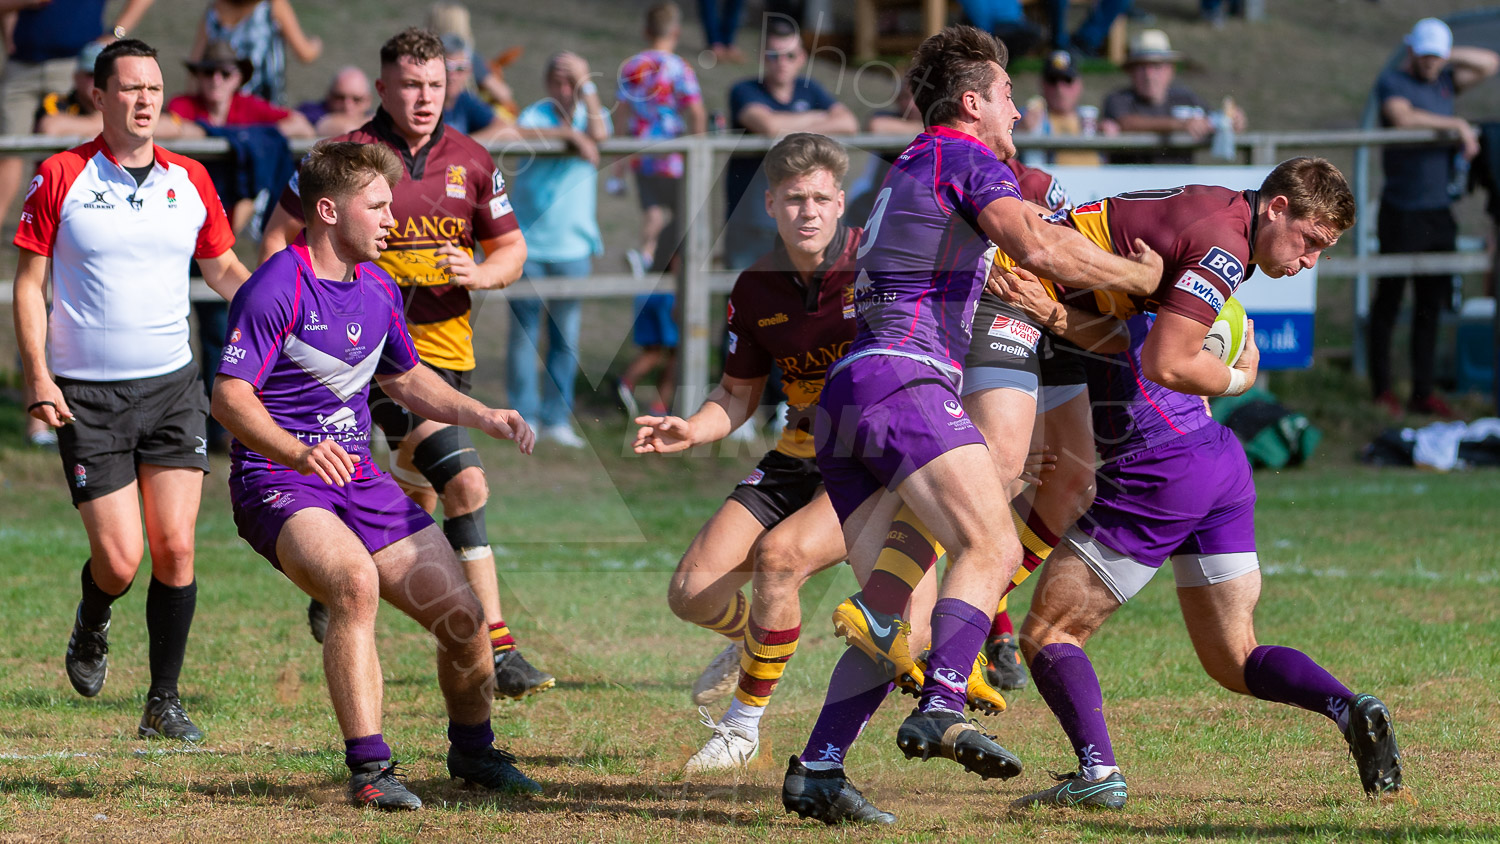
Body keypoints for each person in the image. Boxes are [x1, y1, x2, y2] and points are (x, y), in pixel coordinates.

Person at [780, 25, 1162, 825]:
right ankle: (944, 701)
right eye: (1009, 97)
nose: (1019, 112)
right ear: (972, 101)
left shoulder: (911, 164)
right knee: (990, 540)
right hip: (904, 377)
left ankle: (818, 767)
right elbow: (1036, 243)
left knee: (901, 611)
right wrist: (1140, 277)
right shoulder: (963, 156)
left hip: (852, 396)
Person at [986, 159, 1407, 808]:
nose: (1309, 262)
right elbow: (1115, 341)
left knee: (1049, 633)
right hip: (1218, 464)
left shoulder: (1198, 233)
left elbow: (1154, 356)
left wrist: (1240, 380)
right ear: (1276, 210)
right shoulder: (1186, 243)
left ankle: (1098, 775)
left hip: (1158, 470)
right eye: (1311, 243)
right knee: (1235, 658)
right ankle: (1347, 707)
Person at [212, 139, 541, 809]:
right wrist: (298, 452)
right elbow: (230, 396)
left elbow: (406, 378)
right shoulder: (277, 283)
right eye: (379, 205)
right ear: (328, 211)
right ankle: (370, 770)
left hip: (359, 479)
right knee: (354, 585)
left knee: (465, 620)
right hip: (279, 479)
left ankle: (473, 753)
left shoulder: (378, 287)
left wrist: (482, 414)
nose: (394, 218)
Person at [259, 28, 553, 699]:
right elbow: (278, 236)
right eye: (410, 85)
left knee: (416, 493)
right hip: (371, 363)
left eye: (435, 84)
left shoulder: (473, 161)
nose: (424, 98)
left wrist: (479, 273)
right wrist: (304, 310)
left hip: (448, 358)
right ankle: (499, 648)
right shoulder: (346, 158)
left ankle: (338, 570)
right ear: (383, 86)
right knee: (467, 484)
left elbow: (514, 251)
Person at [13, 38, 251, 742]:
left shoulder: (190, 180)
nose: (145, 100)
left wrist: (286, 310)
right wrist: (36, 374)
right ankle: (93, 616)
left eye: (154, 88)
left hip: (174, 388)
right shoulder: (61, 174)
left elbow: (225, 269)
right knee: (120, 559)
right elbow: (29, 285)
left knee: (176, 546)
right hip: (86, 397)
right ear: (100, 95)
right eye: (130, 88)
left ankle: (163, 702)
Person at [635, 133, 868, 771]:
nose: (809, 211)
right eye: (794, 199)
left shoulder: (877, 268)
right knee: (691, 593)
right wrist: (693, 427)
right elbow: (736, 395)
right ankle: (759, 640)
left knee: (779, 559)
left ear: (841, 202)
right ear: (769, 203)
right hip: (797, 453)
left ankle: (741, 727)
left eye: (821, 197)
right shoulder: (757, 287)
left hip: (872, 462)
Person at [1370, 17, 1499, 418]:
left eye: (1435, 57)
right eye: (1424, 56)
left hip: (1437, 212)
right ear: (1411, 52)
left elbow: (1490, 63)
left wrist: (1447, 53)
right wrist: (1457, 124)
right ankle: (1382, 389)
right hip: (1401, 211)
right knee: (1388, 303)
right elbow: (1403, 117)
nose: (1430, 64)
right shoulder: (1394, 82)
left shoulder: (1444, 79)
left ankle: (1422, 391)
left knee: (1430, 306)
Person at [504, 51, 610, 448]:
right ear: (549, 84)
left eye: (573, 83)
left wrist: (588, 86)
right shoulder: (538, 114)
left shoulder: (590, 114)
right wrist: (569, 136)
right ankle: (522, 417)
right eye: (561, 82)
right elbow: (517, 133)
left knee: (566, 338)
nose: (566, 90)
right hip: (528, 245)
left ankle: (556, 419)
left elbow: (602, 134)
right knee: (523, 337)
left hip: (575, 247)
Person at [614, 1, 706, 417]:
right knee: (672, 216)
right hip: (673, 154)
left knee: (653, 209)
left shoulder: (632, 65)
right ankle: (651, 253)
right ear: (675, 29)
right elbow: (694, 110)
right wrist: (700, 146)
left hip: (640, 152)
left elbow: (622, 113)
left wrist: (617, 163)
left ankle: (645, 250)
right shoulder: (677, 68)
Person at [0, 0, 152, 232]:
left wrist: (117, 33)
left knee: (79, 151)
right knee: (9, 153)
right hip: (23, 63)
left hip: (76, 65)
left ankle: (81, 230)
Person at [722, 16, 856, 269]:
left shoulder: (810, 89)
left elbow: (848, 123)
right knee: (746, 300)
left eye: (790, 56)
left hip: (800, 221)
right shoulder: (744, 90)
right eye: (774, 55)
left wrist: (787, 123)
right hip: (750, 218)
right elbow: (769, 127)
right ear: (763, 57)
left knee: (798, 301)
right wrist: (819, 116)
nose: (782, 62)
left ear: (801, 58)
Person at [1101, 29, 1245, 165]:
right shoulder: (1118, 99)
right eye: (1142, 67)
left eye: (1156, 66)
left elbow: (1213, 120)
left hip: (1180, 187)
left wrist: (1231, 121)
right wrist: (1182, 124)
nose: (1149, 75)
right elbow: (1126, 123)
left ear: (1171, 70)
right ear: (1130, 72)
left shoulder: (1186, 98)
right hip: (1131, 185)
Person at [167, 40, 314, 139]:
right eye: (208, 72)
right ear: (198, 76)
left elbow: (301, 125)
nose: (216, 80)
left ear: (238, 79)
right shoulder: (182, 104)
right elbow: (166, 126)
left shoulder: (249, 105)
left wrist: (255, 135)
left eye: (225, 74)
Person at [189, 0, 322, 105]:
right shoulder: (273, 5)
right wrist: (317, 44)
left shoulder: (215, 9)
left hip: (222, 106)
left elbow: (196, 62)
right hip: (264, 101)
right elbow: (305, 54)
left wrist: (193, 103)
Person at [1017, 49, 1112, 167]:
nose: (1059, 89)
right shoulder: (1025, 116)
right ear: (1042, 84)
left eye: (1067, 80)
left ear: (1079, 84)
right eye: (1052, 80)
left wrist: (1110, 140)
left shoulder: (1092, 119)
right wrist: (1019, 132)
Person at [439, 33, 508, 139]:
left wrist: (463, 144)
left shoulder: (464, 100)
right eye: (446, 68)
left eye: (460, 69)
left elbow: (504, 128)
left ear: (469, 71)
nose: (451, 76)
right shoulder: (424, 102)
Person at [296, 66, 374, 137]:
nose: (347, 106)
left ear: (368, 101)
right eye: (340, 98)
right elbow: (347, 129)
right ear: (328, 96)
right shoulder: (311, 111)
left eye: (356, 99)